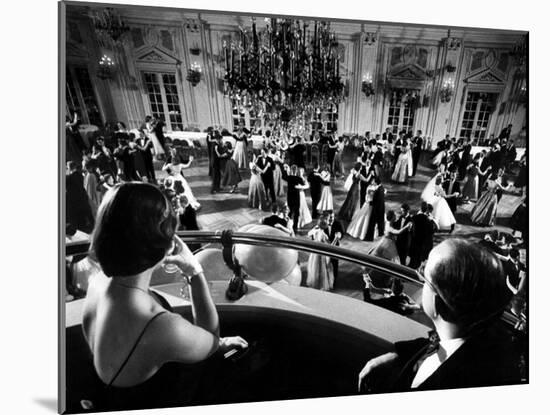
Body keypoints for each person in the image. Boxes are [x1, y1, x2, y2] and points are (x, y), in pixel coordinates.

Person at [83, 183, 248, 410]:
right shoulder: (160, 326)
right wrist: (194, 272)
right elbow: (210, 341)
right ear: (167, 243)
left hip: (108, 397)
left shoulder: (97, 282)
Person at [358, 238, 523, 393]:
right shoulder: (486, 336)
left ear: (436, 301)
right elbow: (438, 344)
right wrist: (399, 355)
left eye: (424, 275)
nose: (421, 278)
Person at [306, 215, 334, 291]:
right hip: (321, 254)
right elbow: (328, 246)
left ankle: (314, 282)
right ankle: (320, 284)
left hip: (314, 253)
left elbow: (309, 234)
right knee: (322, 269)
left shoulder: (315, 231)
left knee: (314, 268)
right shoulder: (324, 235)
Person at [66, 161, 95, 233]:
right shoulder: (80, 175)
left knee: (77, 219)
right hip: (83, 198)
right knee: (88, 216)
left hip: (74, 201)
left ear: (69, 168)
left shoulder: (69, 178)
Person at [408, 202, 438, 270]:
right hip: (423, 243)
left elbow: (410, 229)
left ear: (420, 208)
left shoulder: (414, 217)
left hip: (415, 242)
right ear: (426, 209)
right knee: (420, 259)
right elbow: (432, 231)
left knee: (414, 258)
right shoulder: (428, 220)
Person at [282, 164, 303, 234]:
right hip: (296, 197)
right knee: (297, 212)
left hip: (290, 197)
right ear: (296, 171)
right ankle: (295, 227)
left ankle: (288, 225)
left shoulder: (289, 177)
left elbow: (283, 176)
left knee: (290, 212)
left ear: (291, 170)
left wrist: (285, 170)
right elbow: (303, 184)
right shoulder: (298, 178)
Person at [324, 211, 344, 283]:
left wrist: (340, 235)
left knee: (335, 264)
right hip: (325, 249)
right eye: (329, 217)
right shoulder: (323, 224)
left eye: (332, 217)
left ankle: (334, 280)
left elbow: (342, 233)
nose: (331, 219)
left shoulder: (337, 223)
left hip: (335, 248)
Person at [364, 176, 386, 241]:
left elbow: (376, 201)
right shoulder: (381, 188)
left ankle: (369, 238)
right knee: (380, 222)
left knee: (372, 224)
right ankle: (380, 234)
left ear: (376, 182)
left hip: (376, 209)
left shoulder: (379, 190)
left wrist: (370, 203)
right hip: (381, 209)